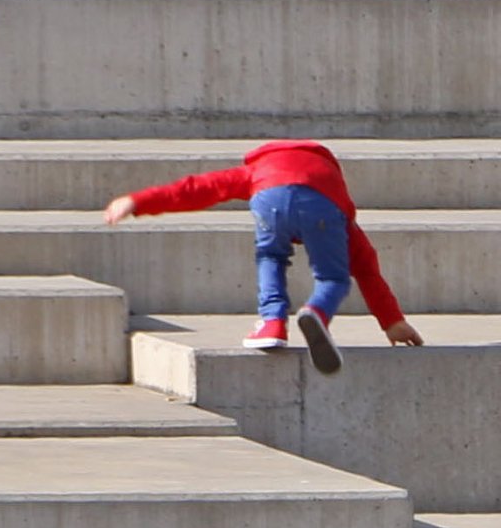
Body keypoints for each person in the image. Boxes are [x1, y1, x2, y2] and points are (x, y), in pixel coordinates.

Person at [103, 140, 424, 374]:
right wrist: (392, 322)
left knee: (270, 256)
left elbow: (196, 188)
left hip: (268, 198)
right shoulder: (330, 187)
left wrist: (139, 201)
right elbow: (367, 268)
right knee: (333, 277)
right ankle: (317, 312)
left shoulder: (257, 170)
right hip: (325, 209)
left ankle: (272, 324)